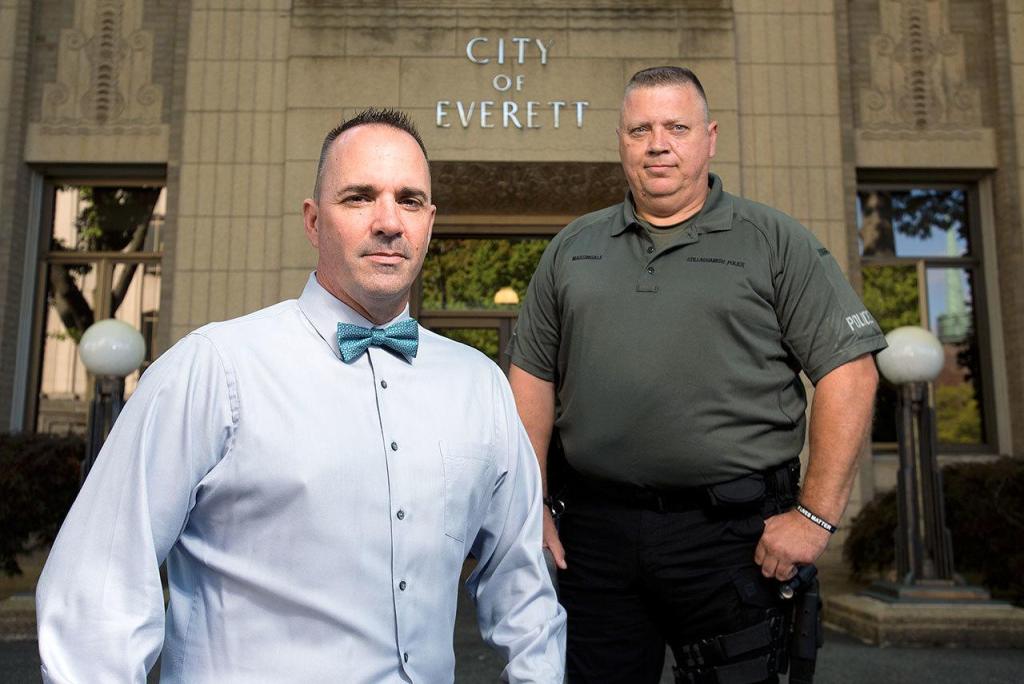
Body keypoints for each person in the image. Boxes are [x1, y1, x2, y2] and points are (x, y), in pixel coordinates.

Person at [36, 108, 566, 684]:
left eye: (409, 200)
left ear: (430, 223)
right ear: (314, 222)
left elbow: (520, 579)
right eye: (359, 197)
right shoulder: (215, 369)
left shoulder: (479, 384)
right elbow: (98, 585)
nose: (389, 222)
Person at [507, 67, 885, 683]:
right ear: (621, 142)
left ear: (709, 138)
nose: (658, 143)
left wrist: (814, 517)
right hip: (596, 537)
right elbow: (532, 379)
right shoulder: (573, 247)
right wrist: (532, 507)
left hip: (734, 539)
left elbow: (851, 370)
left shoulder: (773, 241)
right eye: (640, 129)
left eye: (676, 127)